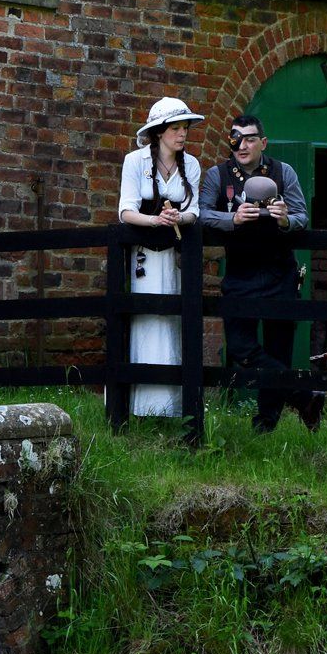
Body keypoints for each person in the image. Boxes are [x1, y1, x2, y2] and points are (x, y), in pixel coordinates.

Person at [198, 114, 325, 433]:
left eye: (250, 139)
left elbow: (302, 216)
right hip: (240, 273)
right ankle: (304, 396)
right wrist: (232, 219)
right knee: (240, 347)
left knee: (278, 350)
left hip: (280, 272)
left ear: (263, 143)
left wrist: (285, 219)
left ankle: (265, 425)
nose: (242, 145)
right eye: (236, 139)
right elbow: (201, 215)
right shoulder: (218, 175)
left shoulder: (284, 172)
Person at [116, 96, 204, 418]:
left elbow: (194, 210)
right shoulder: (135, 161)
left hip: (176, 256)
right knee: (146, 318)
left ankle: (173, 406)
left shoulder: (191, 165)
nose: (182, 134)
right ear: (159, 132)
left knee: (173, 320)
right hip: (144, 255)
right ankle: (142, 405)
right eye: (175, 128)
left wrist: (179, 217)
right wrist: (155, 220)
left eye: (185, 128)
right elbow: (125, 211)